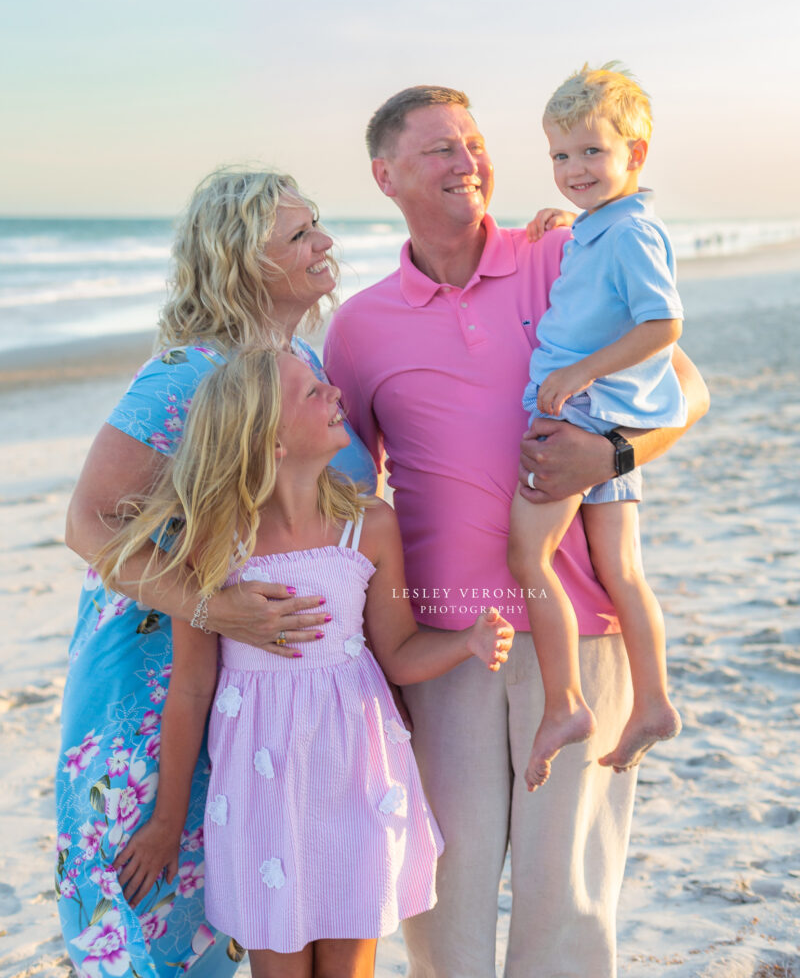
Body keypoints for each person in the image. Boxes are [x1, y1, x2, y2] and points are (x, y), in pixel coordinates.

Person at [324, 85, 709, 978]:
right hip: (448, 638)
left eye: (474, 143)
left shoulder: (562, 252)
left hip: (583, 628)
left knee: (567, 895)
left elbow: (688, 390)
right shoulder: (359, 326)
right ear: (386, 177)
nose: (469, 163)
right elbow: (344, 494)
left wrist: (612, 454)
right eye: (440, 151)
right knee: (442, 895)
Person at [94, 348, 514, 978]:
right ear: (268, 438)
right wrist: (166, 822)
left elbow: (396, 652)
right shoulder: (211, 544)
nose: (333, 392)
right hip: (261, 789)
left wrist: (465, 642)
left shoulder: (368, 526)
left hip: (356, 780)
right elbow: (190, 690)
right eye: (310, 392)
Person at [57, 168, 376, 977]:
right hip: (151, 675)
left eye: (318, 227)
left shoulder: (304, 363)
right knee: (145, 922)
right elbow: (86, 520)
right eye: (301, 235)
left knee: (236, 910)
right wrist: (212, 608)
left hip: (268, 690)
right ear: (243, 259)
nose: (325, 243)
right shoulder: (181, 374)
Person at [507, 64, 685, 792]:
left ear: (634, 155)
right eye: (560, 156)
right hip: (609, 417)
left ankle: (564, 704)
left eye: (591, 153)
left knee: (526, 557)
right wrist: (563, 225)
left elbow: (663, 322)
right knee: (623, 571)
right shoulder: (602, 226)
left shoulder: (631, 231)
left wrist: (581, 372)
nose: (573, 169)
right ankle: (652, 703)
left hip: (580, 417)